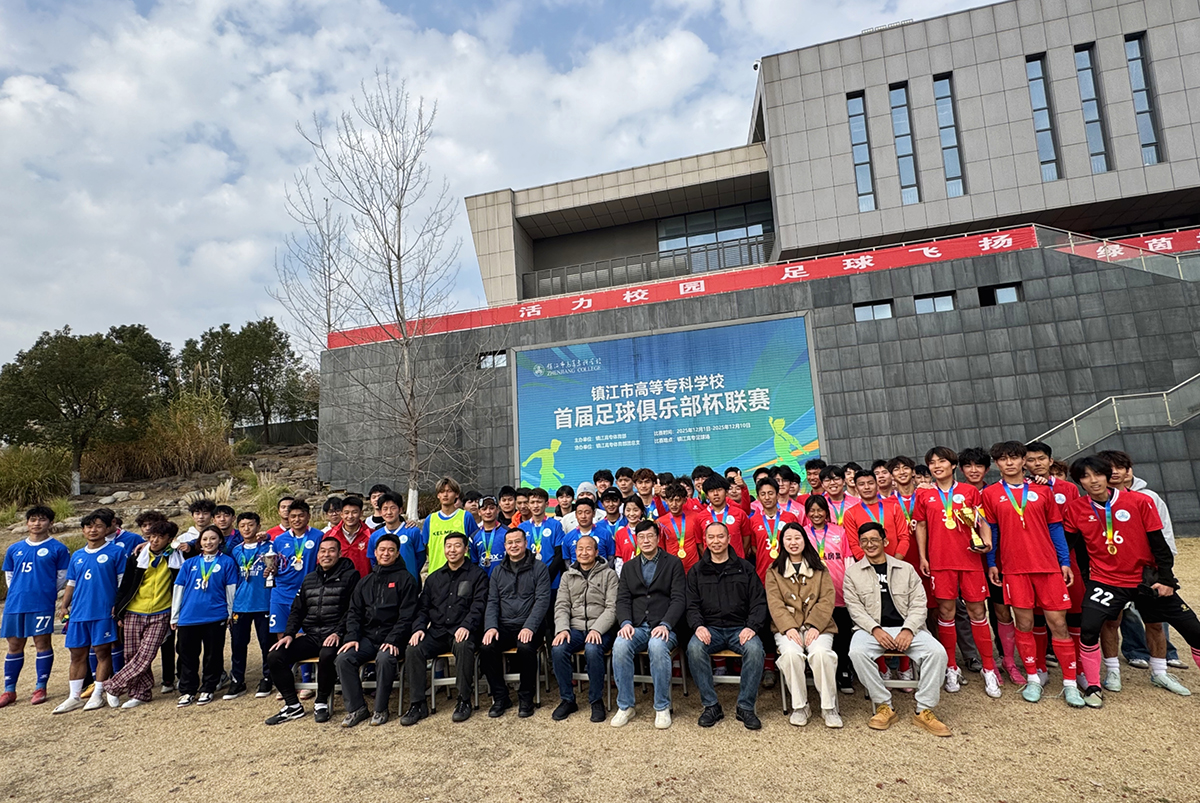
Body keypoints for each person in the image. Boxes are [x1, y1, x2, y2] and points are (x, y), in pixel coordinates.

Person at [1066, 455, 1200, 706]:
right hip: (1105, 581)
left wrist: (1166, 579)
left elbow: (1159, 544)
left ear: (1107, 476)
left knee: (1193, 631)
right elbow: (1068, 545)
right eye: (1085, 476)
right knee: (1090, 629)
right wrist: (1083, 576)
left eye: (1098, 474)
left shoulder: (1140, 501)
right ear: (1079, 482)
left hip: (1145, 579)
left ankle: (1159, 673)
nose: (1093, 480)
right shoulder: (1075, 509)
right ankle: (1095, 685)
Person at [982, 441, 1081, 707]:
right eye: (1003, 459)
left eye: (1014, 458)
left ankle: (1070, 683)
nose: (1009, 463)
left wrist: (1063, 561)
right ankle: (1033, 677)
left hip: (1047, 567)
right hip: (1014, 569)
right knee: (1024, 624)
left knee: (1058, 624)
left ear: (1023, 461)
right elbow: (992, 530)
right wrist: (992, 562)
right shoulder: (990, 494)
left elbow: (1056, 527)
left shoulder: (1042, 490)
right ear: (997, 464)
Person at [844, 523, 951, 737]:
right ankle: (884, 705)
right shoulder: (853, 573)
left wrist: (909, 629)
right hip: (871, 630)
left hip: (907, 628)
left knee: (937, 652)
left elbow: (919, 603)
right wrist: (875, 629)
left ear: (884, 541)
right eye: (864, 541)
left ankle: (924, 710)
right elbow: (855, 609)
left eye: (874, 540)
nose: (869, 545)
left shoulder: (906, 569)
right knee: (857, 652)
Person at [915, 446, 1000, 698]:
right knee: (946, 613)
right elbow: (921, 526)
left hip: (970, 559)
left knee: (977, 612)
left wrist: (987, 542)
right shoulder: (924, 495)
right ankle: (951, 667)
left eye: (942, 461)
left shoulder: (969, 491)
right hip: (941, 562)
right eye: (932, 463)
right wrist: (923, 557)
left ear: (953, 465)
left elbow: (981, 520)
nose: (936, 466)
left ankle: (989, 668)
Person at [1098, 449, 1183, 671]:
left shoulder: (1149, 497)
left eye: (1120, 467)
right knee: (1126, 612)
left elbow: (1164, 530)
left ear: (1129, 469)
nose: (1115, 472)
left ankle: (1167, 654)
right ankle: (1136, 651)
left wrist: (1165, 563)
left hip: (1149, 566)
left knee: (1156, 612)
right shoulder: (1097, 499)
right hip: (1118, 566)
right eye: (1109, 467)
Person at [265, 538, 360, 725]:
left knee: (327, 655)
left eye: (331, 551)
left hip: (336, 635)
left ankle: (321, 701)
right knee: (275, 655)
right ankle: (292, 705)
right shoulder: (309, 578)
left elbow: (353, 609)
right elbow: (297, 609)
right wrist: (289, 634)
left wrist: (338, 632)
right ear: (317, 555)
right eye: (322, 551)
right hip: (312, 635)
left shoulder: (351, 576)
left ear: (339, 554)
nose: (326, 555)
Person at [685, 521, 767, 730]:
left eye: (720, 536)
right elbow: (691, 605)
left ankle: (745, 706)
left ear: (729, 539)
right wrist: (698, 626)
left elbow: (758, 602)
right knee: (694, 648)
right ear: (705, 540)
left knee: (755, 649)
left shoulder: (745, 568)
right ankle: (711, 706)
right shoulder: (696, 571)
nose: (716, 541)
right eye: (711, 537)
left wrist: (752, 627)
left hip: (740, 628)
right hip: (710, 629)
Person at [403, 532, 489, 724]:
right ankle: (417, 703)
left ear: (465, 549)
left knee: (463, 646)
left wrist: (466, 625)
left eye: (457, 546)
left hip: (463, 630)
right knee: (413, 649)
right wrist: (419, 628)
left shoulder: (477, 575)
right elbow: (423, 608)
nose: (452, 550)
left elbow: (479, 606)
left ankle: (464, 700)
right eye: (448, 546)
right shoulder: (434, 578)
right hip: (437, 631)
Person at [338, 532, 419, 727]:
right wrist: (352, 637)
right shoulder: (365, 581)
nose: (386, 554)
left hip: (394, 638)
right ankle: (357, 708)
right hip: (367, 638)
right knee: (343, 658)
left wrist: (393, 639)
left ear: (397, 553)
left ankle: (381, 709)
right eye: (382, 550)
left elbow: (407, 616)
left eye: (391, 550)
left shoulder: (406, 579)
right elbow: (354, 613)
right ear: (375, 552)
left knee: (384, 659)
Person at [611, 520, 686, 729]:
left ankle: (662, 706)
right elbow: (623, 599)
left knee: (657, 645)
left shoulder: (673, 563)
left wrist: (666, 624)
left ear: (658, 538)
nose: (646, 540)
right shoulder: (629, 567)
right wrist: (625, 623)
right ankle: (626, 706)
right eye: (641, 537)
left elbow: (679, 599)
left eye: (650, 536)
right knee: (620, 644)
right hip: (636, 626)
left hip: (664, 626)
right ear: (636, 540)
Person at [765, 521, 841, 727]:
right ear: (782, 542)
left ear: (805, 540)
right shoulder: (774, 571)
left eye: (797, 538)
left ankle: (829, 707)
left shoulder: (820, 568)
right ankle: (800, 706)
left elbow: (827, 599)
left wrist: (815, 625)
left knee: (821, 654)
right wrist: (789, 627)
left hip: (819, 625)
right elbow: (774, 603)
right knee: (790, 654)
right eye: (788, 538)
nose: (793, 542)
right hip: (788, 626)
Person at [102, 520, 183, 708]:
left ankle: (113, 686)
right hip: (134, 611)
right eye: (151, 537)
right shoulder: (138, 556)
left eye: (160, 537)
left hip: (161, 612)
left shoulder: (177, 557)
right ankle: (141, 693)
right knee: (132, 654)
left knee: (147, 654)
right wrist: (119, 610)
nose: (154, 541)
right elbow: (126, 585)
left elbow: (196, 550)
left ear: (169, 539)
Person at [53, 523, 125, 713]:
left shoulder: (116, 552)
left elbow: (122, 582)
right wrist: (64, 605)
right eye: (88, 527)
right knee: (77, 654)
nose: (93, 530)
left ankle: (98, 693)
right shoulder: (77, 555)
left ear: (106, 529)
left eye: (98, 527)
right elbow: (71, 582)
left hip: (103, 612)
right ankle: (74, 697)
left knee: (102, 652)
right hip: (79, 612)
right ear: (83, 530)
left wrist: (118, 605)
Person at [2, 506, 70, 707]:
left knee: (42, 643)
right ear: (27, 523)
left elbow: (62, 577)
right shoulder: (14, 548)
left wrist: (44, 591)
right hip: (15, 604)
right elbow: (9, 575)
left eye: (42, 519)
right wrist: (19, 591)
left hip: (41, 603)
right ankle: (9, 690)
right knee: (14, 645)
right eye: (33, 519)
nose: (37, 523)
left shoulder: (58, 548)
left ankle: (40, 687)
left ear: (50, 523)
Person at [481, 528, 552, 718]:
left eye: (518, 542)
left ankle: (526, 697)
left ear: (525, 543)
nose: (514, 546)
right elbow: (492, 601)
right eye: (510, 543)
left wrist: (529, 626)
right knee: (487, 646)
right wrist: (491, 627)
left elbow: (542, 600)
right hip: (504, 625)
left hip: (530, 625)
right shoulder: (497, 571)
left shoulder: (539, 568)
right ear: (505, 546)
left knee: (526, 647)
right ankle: (500, 697)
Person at [550, 534, 618, 722]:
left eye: (589, 548)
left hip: (601, 628)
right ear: (575, 552)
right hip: (575, 628)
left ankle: (596, 700)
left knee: (593, 649)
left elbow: (612, 608)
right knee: (558, 648)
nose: (584, 552)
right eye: (580, 549)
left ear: (596, 552)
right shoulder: (567, 576)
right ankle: (567, 699)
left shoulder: (609, 575)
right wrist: (562, 629)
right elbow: (562, 605)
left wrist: (597, 629)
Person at [171, 525, 238, 707]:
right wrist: (174, 616)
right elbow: (179, 589)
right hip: (188, 617)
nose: (209, 542)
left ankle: (208, 687)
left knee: (213, 655)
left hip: (215, 616)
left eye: (213, 538)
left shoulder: (227, 562)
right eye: (205, 539)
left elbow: (230, 589)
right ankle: (187, 690)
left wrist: (230, 613)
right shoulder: (189, 563)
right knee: (187, 655)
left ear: (220, 541)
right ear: (199, 542)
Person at [803, 495, 855, 694]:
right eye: (812, 510)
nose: (816, 514)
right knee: (817, 632)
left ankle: (843, 670)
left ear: (826, 512)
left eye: (820, 510)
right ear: (807, 513)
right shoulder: (803, 533)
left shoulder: (839, 532)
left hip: (839, 592)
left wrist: (849, 587)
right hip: (813, 595)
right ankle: (817, 670)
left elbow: (848, 560)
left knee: (842, 633)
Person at [228, 512, 274, 699]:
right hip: (241, 604)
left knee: (266, 643)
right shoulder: (236, 550)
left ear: (258, 526)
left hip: (264, 602)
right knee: (238, 644)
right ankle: (237, 680)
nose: (247, 529)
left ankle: (268, 677)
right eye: (242, 526)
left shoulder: (269, 546)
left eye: (251, 525)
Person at [269, 500, 323, 638]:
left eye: (301, 516)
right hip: (281, 592)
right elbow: (276, 565)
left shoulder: (318, 536)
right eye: (293, 516)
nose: (296, 519)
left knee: (302, 635)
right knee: (282, 633)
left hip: (306, 593)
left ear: (308, 516)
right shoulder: (279, 540)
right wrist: (271, 570)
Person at [844, 470, 910, 561]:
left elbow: (904, 537)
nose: (867, 487)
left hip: (896, 562)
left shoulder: (894, 508)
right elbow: (854, 544)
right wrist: (871, 564)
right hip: (868, 565)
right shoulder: (850, 514)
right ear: (856, 488)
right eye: (861, 484)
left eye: (870, 483)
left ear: (877, 485)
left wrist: (896, 561)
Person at [422, 477, 478, 574]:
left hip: (462, 572)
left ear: (456, 494)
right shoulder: (430, 519)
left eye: (449, 491)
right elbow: (425, 548)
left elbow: (474, 545)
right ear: (438, 495)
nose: (445, 495)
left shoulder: (465, 517)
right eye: (442, 491)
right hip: (436, 572)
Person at [367, 493, 423, 580]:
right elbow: (373, 560)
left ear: (400, 510)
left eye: (393, 508)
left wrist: (412, 571)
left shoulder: (412, 531)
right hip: (383, 582)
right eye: (385, 509)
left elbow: (421, 557)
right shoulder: (375, 535)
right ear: (381, 512)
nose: (389, 512)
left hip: (408, 581)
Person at [659, 483, 707, 572]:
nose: (674, 504)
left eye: (677, 500)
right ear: (666, 501)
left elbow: (701, 542)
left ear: (684, 500)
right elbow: (661, 548)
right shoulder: (660, 522)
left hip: (693, 568)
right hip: (672, 568)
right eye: (670, 500)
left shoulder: (696, 517)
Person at [703, 475, 750, 558]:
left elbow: (746, 540)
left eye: (719, 490)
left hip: (736, 562)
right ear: (707, 495)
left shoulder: (740, 513)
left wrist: (738, 557)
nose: (716, 494)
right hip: (710, 563)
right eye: (711, 491)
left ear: (726, 492)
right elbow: (700, 544)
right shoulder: (700, 517)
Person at [326, 496, 372, 578]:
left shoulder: (372, 535)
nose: (350, 516)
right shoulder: (330, 535)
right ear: (341, 514)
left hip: (365, 582)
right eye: (346, 513)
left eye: (354, 512)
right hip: (337, 583)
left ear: (361, 513)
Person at [561, 497, 614, 563]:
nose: (583, 516)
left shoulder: (605, 534)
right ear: (576, 515)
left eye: (587, 512)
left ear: (594, 514)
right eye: (580, 513)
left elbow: (611, 558)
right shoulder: (568, 537)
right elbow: (567, 561)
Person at [470, 496, 507, 575]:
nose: (488, 512)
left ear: (497, 510)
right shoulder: (474, 537)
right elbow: (474, 563)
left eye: (491, 508)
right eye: (484, 509)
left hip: (504, 579)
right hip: (483, 579)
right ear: (479, 512)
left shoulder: (507, 533)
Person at [612, 497, 645, 575]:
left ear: (642, 511)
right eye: (628, 510)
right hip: (629, 574)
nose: (632, 514)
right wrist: (622, 577)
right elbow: (619, 560)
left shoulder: (648, 530)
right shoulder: (620, 533)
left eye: (635, 510)